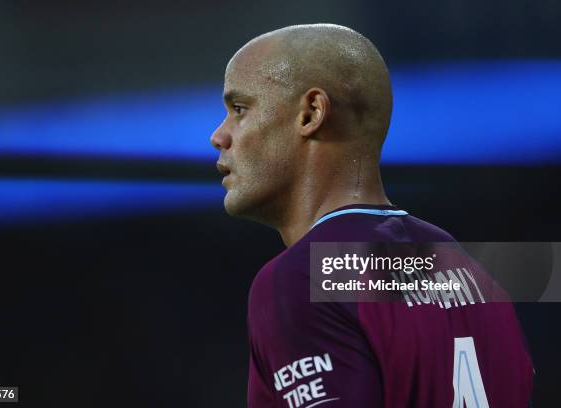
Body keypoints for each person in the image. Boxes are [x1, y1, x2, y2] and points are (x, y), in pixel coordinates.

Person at [210, 23, 533, 407]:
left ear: (311, 113)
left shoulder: (300, 279)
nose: (219, 135)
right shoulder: (475, 275)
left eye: (240, 109)